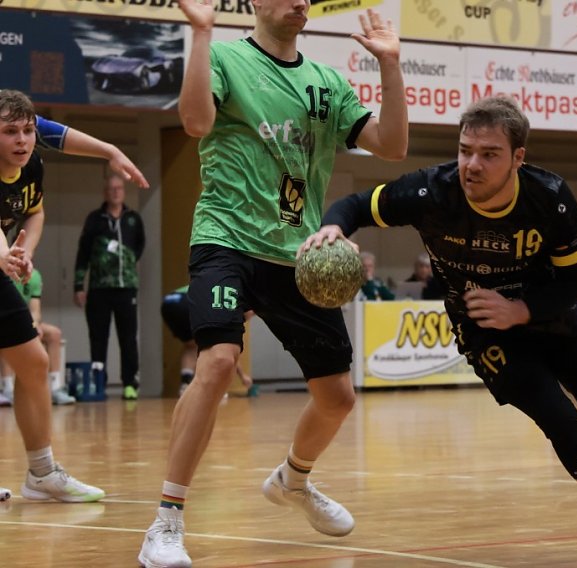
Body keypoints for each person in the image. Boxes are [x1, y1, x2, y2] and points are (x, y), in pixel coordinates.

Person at [305, 96, 577, 568]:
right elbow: (355, 204)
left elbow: (575, 281)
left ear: (518, 158)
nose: (472, 164)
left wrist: (521, 309)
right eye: (466, 150)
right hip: (486, 330)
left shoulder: (549, 198)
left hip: (558, 316)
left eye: (489, 154)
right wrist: (331, 229)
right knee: (560, 424)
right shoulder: (432, 191)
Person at [137, 0, 408, 565]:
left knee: (336, 398)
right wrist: (202, 33)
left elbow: (391, 145)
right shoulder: (228, 59)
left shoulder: (325, 82)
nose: (302, 3)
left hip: (298, 254)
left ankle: (293, 480)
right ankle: (165, 522)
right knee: (216, 360)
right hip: (226, 238)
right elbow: (194, 123)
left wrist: (390, 65)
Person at [0, 89, 105, 503]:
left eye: (27, 131)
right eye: (10, 132)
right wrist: (5, 254)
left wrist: (25, 252)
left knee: (35, 361)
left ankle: (42, 473)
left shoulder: (32, 166)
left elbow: (36, 211)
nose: (22, 140)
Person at [73, 174, 146, 400]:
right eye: (111, 189)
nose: (115, 192)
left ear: (123, 191)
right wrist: (78, 285)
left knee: (128, 338)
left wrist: (126, 263)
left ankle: (129, 383)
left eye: (119, 188)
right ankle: (98, 382)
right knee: (98, 337)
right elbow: (83, 253)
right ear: (105, 192)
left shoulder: (133, 218)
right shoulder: (95, 219)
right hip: (99, 289)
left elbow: (140, 246)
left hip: (126, 288)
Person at [0, 268, 76, 405]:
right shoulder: (4, 270)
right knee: (7, 334)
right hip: (5, 320)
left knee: (54, 333)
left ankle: (55, 387)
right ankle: (7, 388)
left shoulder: (34, 275)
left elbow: (35, 310)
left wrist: (34, 326)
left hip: (24, 320)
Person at [161, 285, 254, 395]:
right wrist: (243, 376)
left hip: (169, 302)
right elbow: (229, 347)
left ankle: (185, 383)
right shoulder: (230, 308)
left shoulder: (225, 291)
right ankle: (211, 386)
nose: (247, 319)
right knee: (215, 344)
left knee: (191, 346)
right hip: (187, 301)